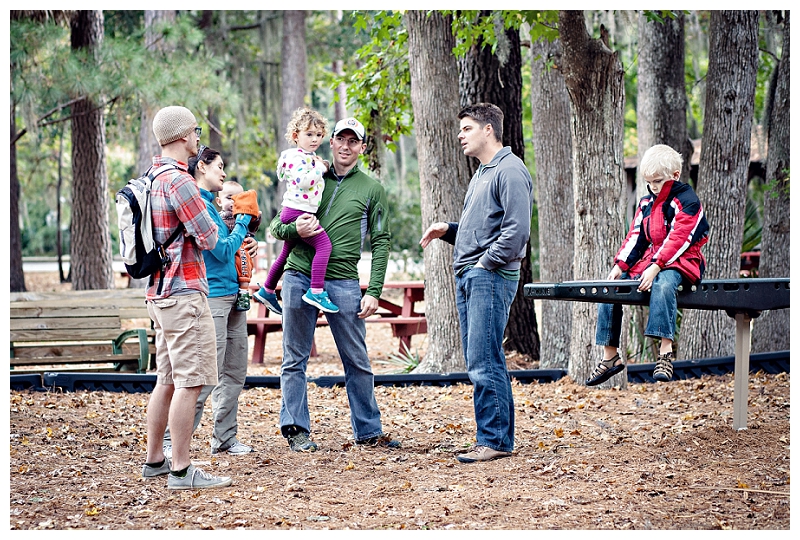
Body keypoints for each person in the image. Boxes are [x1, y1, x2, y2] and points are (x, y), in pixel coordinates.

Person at [270, 116, 400, 452]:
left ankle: (369, 431)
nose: (345, 146)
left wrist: (374, 291)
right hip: (299, 275)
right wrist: (294, 231)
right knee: (294, 357)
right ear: (330, 141)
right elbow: (276, 226)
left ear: (361, 147)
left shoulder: (372, 189)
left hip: (343, 282)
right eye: (340, 139)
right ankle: (296, 429)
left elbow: (382, 240)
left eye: (353, 141)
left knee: (357, 359)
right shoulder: (311, 174)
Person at [419, 103, 533, 464]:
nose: (460, 135)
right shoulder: (483, 173)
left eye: (467, 128)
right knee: (478, 358)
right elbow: (483, 229)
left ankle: (496, 440)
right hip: (472, 273)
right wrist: (448, 230)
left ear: (488, 130)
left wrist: (485, 264)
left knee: (485, 359)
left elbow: (516, 232)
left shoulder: (510, 170)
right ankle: (491, 436)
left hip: (490, 275)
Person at [140, 105, 231, 489]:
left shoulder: (151, 176)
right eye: (195, 130)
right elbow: (210, 238)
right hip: (184, 293)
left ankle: (155, 461)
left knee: (168, 380)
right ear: (180, 137)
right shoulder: (180, 182)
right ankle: (181, 469)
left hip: (159, 293)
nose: (198, 136)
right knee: (191, 382)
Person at [161, 147, 260, 459]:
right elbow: (219, 252)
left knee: (234, 373)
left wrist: (247, 243)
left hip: (235, 298)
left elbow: (231, 248)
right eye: (219, 166)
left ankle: (225, 439)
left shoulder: (214, 208)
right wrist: (243, 223)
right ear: (201, 167)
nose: (224, 173)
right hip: (212, 298)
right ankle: (172, 444)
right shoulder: (199, 204)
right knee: (204, 376)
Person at [586, 144, 709, 386]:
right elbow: (636, 237)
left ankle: (665, 352)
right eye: (649, 181)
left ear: (674, 176)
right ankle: (610, 357)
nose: (653, 186)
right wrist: (620, 266)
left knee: (664, 284)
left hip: (681, 261)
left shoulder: (687, 200)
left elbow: (680, 238)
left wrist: (656, 266)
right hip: (651, 261)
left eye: (657, 181)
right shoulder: (646, 203)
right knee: (610, 287)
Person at [254, 107, 338, 315]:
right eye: (309, 134)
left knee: (285, 253)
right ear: (295, 136)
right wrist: (322, 168)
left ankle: (267, 290)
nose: (315, 139)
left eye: (319, 135)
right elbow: (303, 181)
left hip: (298, 210)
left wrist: (321, 164)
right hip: (298, 212)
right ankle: (316, 291)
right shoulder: (295, 156)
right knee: (324, 246)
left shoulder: (308, 157)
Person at [217, 180, 258, 312]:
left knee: (245, 261)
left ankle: (244, 291)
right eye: (229, 198)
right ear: (219, 201)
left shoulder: (242, 215)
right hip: (226, 259)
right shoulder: (219, 218)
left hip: (241, 249)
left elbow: (252, 228)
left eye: (239, 198)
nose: (234, 202)